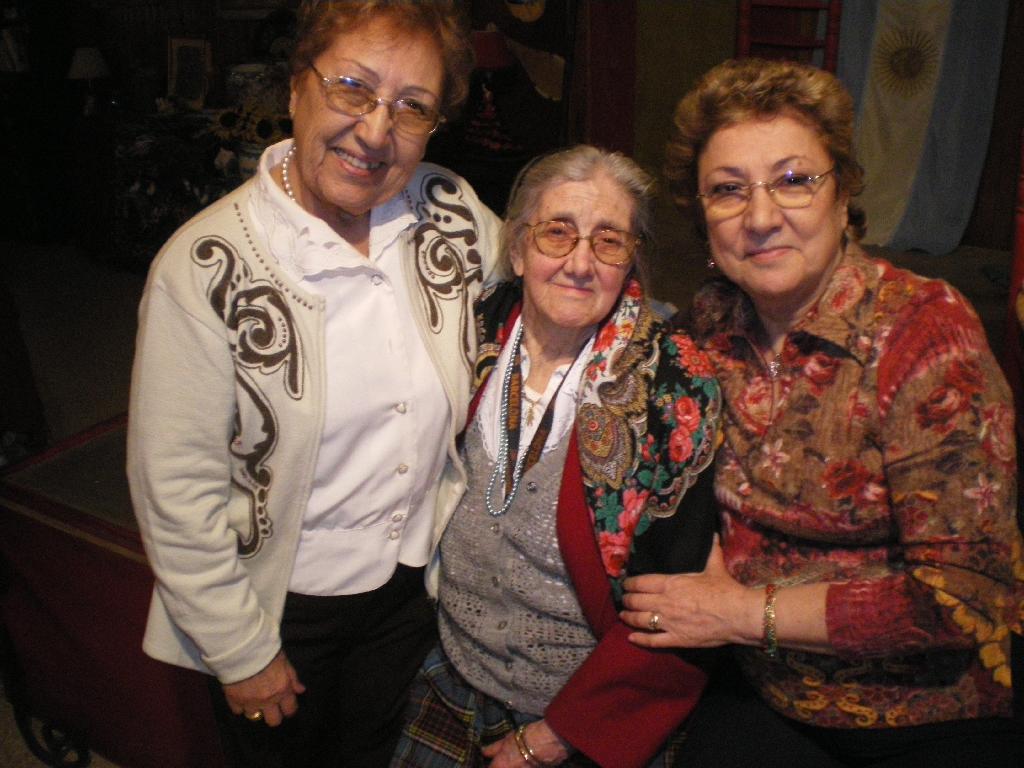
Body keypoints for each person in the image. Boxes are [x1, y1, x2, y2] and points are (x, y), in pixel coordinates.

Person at [620, 58, 1024, 767]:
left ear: (843, 198)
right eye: (728, 190)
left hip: (922, 712)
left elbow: (966, 596)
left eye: (794, 180)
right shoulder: (710, 324)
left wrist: (738, 613)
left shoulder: (923, 332)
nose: (761, 217)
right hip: (761, 689)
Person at [126, 2, 501, 766]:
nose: (375, 131)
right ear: (297, 85)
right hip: (279, 607)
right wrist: (239, 650)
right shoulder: (204, 267)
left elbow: (545, 272)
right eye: (352, 88)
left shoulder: (448, 210)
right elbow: (175, 486)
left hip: (411, 590)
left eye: (412, 107)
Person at [391, 145, 722, 768]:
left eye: (608, 241)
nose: (580, 263)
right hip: (450, 674)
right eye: (557, 233)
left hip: (584, 714)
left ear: (631, 261)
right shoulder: (470, 330)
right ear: (518, 249)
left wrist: (562, 734)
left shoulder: (671, 386)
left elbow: (680, 607)